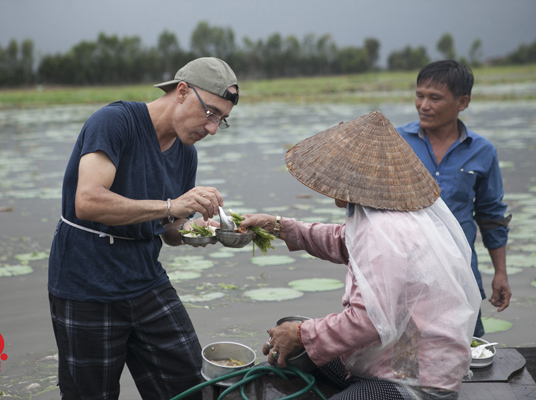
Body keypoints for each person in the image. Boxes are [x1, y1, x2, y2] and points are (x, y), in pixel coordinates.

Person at [239, 111, 482, 400]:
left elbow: (369, 320)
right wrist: (279, 227)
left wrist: (302, 333)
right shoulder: (387, 213)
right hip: (401, 348)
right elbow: (343, 241)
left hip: (416, 376)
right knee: (295, 335)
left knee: (298, 336)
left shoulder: (382, 231)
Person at [47, 57, 239, 400]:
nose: (211, 128)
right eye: (210, 113)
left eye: (221, 121)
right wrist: (171, 206)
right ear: (182, 91)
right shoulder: (115, 122)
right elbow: (87, 201)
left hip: (146, 280)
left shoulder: (185, 152)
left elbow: (171, 230)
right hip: (86, 284)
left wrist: (201, 230)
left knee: (192, 386)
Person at [397, 60, 512, 338]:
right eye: (419, 95)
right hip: (404, 271)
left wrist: (500, 273)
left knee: (464, 351)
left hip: (460, 271)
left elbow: (491, 217)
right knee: (402, 356)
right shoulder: (396, 142)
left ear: (462, 102)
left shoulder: (482, 151)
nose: (423, 105)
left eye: (435, 98)